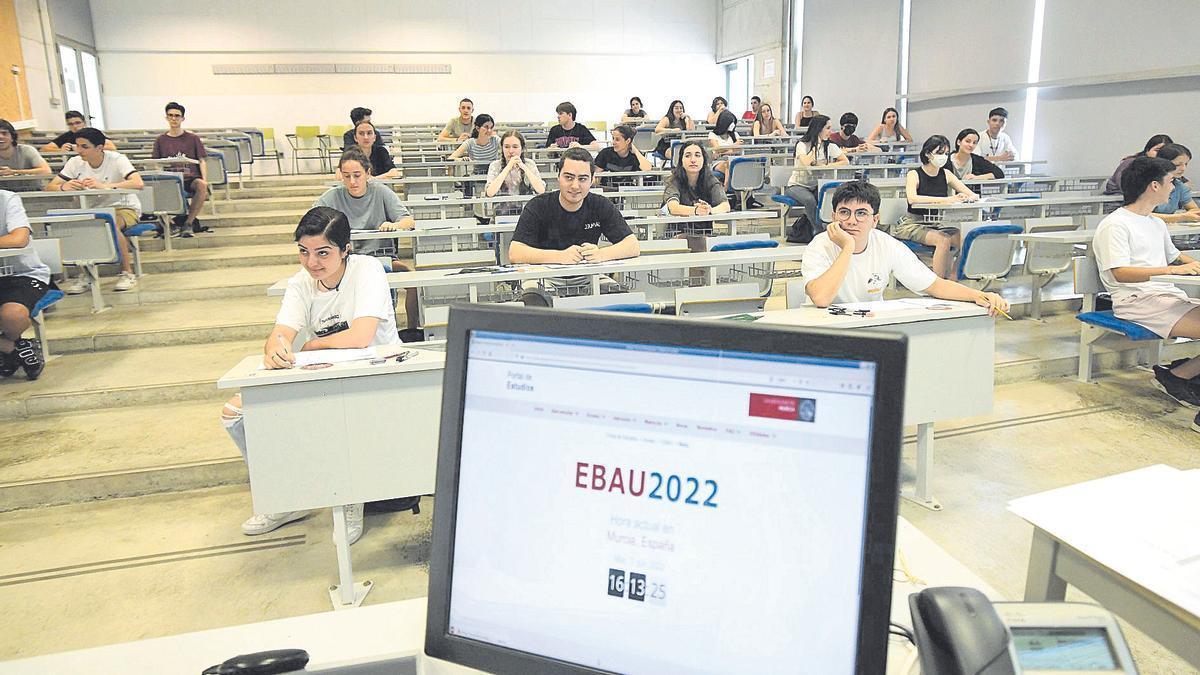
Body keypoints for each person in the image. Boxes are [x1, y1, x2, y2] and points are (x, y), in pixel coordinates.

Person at [221, 206, 409, 542]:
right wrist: (278, 347)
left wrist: (311, 347)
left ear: (345, 249)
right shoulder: (301, 283)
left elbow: (360, 337)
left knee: (338, 415)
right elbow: (280, 333)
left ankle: (352, 497)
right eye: (304, 253)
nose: (312, 263)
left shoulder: (367, 271)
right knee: (235, 414)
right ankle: (285, 496)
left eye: (323, 253)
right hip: (322, 372)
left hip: (374, 374)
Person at [1092, 156, 1200, 430]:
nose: (1174, 187)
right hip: (1136, 300)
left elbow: (1175, 257)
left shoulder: (1155, 222)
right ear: (1153, 185)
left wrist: (1189, 266)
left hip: (1166, 296)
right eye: (1170, 181)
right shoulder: (1115, 224)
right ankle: (1180, 378)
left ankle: (1179, 376)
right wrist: (1171, 271)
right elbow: (1120, 273)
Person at [802, 180, 1010, 317]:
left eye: (861, 213)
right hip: (825, 325)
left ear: (875, 220)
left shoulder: (887, 245)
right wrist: (847, 247)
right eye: (844, 212)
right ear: (833, 216)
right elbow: (821, 298)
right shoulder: (820, 246)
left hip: (867, 325)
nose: (852, 221)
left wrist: (978, 296)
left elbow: (935, 285)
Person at [315, 148, 419, 331]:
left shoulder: (380, 191)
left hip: (381, 258)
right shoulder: (333, 196)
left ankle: (411, 331)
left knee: (412, 282)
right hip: (346, 261)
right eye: (346, 176)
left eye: (357, 175)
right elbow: (311, 222)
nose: (352, 181)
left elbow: (408, 220)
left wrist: (394, 225)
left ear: (368, 173)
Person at [45, 128, 143, 292]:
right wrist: (64, 186)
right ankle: (86, 275)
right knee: (76, 228)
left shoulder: (118, 159)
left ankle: (127, 272)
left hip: (124, 206)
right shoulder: (75, 162)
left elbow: (137, 183)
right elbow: (49, 187)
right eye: (77, 145)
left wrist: (105, 186)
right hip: (89, 209)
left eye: (84, 146)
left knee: (110, 223)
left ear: (99, 147)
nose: (79, 150)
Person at [508, 148, 639, 265]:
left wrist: (600, 254)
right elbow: (515, 253)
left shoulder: (601, 204)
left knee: (617, 291)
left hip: (588, 274)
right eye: (569, 177)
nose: (575, 186)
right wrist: (560, 256)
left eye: (582, 179)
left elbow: (632, 245)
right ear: (558, 176)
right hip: (543, 277)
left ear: (592, 180)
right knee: (531, 292)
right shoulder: (538, 206)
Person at [893, 134, 980, 279]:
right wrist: (946, 200)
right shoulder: (914, 174)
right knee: (943, 240)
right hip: (913, 224)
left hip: (935, 223)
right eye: (940, 153)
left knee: (965, 239)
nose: (944, 157)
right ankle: (938, 282)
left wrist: (966, 198)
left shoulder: (946, 174)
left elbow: (971, 194)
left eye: (946, 153)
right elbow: (912, 198)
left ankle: (953, 277)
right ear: (928, 154)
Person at [0, 190, 51, 380]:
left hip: (21, 274)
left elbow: (19, 239)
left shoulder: (7, 199)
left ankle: (8, 351)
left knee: (12, 316)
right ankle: (14, 348)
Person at [784, 114, 848, 242]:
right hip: (796, 185)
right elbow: (806, 162)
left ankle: (832, 227)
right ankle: (818, 231)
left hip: (815, 185)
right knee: (810, 200)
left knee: (830, 197)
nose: (830, 131)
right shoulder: (802, 145)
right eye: (827, 128)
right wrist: (815, 146)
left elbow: (844, 161)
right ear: (818, 129)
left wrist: (828, 165)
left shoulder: (829, 146)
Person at [151, 101, 209, 236]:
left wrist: (204, 179)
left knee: (201, 185)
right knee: (150, 187)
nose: (173, 118)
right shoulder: (160, 140)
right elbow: (156, 163)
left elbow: (202, 160)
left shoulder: (193, 138)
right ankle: (170, 225)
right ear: (166, 118)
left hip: (190, 179)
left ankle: (189, 223)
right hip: (170, 180)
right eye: (170, 115)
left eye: (177, 116)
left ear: (182, 118)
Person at [662, 140, 730, 236]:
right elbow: (673, 207)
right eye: (688, 156)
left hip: (705, 235)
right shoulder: (673, 181)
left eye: (697, 155)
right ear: (681, 160)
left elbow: (725, 205)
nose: (693, 160)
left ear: (704, 160)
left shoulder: (710, 179)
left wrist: (709, 210)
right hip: (677, 235)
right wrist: (696, 211)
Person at [485, 131, 545, 215]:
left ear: (522, 148)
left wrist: (523, 167)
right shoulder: (495, 165)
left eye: (515, 147)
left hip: (527, 213)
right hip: (501, 214)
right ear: (502, 148)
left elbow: (541, 190)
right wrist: (508, 167)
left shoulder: (529, 164)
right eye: (506, 147)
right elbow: (490, 192)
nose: (511, 151)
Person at [1105, 134, 1173, 195]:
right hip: (1117, 202)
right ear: (1147, 150)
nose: (1160, 154)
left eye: (1164, 151)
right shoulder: (1130, 162)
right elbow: (1125, 186)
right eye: (1157, 150)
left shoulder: (1167, 166)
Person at [1151, 144, 1200, 223]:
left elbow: (1193, 209)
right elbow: (1142, 215)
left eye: (1186, 164)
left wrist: (1192, 214)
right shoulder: (1146, 183)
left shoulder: (1179, 185)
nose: (1183, 168)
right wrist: (1181, 217)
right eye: (1177, 165)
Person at [0, 118, 51, 191]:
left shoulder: (27, 150)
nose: (1, 137)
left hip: (33, 192)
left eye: (4, 133)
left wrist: (13, 172)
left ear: (12, 137)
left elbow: (46, 171)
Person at [39, 111, 117, 152]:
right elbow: (44, 149)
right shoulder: (66, 136)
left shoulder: (93, 133)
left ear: (84, 122)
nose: (75, 126)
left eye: (78, 123)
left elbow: (111, 147)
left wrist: (84, 148)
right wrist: (61, 150)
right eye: (71, 124)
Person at [708, 110, 743, 192]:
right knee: (728, 164)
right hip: (719, 162)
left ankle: (733, 192)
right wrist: (733, 146)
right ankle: (727, 187)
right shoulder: (713, 135)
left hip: (735, 159)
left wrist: (723, 152)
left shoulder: (735, 134)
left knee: (734, 164)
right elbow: (717, 148)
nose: (733, 125)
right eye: (731, 122)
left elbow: (738, 149)